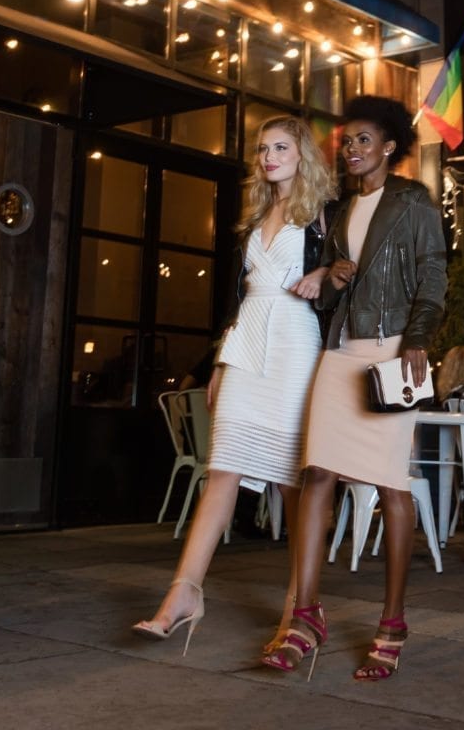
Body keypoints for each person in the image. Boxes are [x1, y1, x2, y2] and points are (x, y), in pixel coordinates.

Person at [133, 115, 339, 652]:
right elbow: (235, 305)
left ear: (302, 155)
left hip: (297, 345)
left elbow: (355, 269)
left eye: (280, 148)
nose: (268, 157)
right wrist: (219, 366)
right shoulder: (253, 218)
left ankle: (301, 610)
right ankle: (183, 594)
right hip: (247, 339)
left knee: (295, 483)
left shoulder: (324, 215)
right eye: (263, 149)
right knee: (221, 469)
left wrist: (324, 275)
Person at [265, 96, 446, 682]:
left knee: (392, 487)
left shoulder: (412, 200)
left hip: (393, 352)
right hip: (341, 349)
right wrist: (334, 276)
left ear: (389, 146)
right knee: (317, 472)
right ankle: (306, 613)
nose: (352, 149)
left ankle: (392, 622)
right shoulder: (339, 211)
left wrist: (418, 337)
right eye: (348, 141)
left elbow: (433, 274)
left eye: (364, 140)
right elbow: (345, 281)